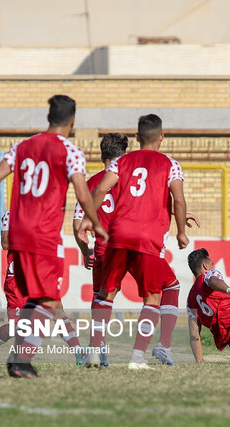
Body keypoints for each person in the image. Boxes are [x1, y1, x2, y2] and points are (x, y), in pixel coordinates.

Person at [0, 95, 107, 378]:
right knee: (50, 301)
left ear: (48, 117)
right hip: (43, 235)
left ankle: (17, 356)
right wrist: (96, 224)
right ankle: (21, 361)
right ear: (73, 122)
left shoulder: (22, 146)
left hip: (17, 234)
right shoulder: (71, 151)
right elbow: (82, 192)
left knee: (36, 300)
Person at [78, 113, 190, 370]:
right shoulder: (170, 164)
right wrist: (181, 231)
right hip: (148, 238)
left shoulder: (123, 161)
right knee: (153, 296)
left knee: (107, 293)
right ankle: (137, 358)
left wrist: (88, 219)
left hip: (119, 234)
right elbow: (179, 200)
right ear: (162, 136)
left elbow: (100, 190)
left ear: (137, 137)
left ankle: (95, 351)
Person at [0, 210, 85, 366]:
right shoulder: (12, 213)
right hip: (18, 280)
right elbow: (5, 243)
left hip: (40, 274)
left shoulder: (45, 213)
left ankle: (79, 352)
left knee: (58, 312)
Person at [72, 132, 130, 367]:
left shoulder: (90, 184)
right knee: (161, 290)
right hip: (132, 247)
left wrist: (86, 250)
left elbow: (77, 224)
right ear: (123, 155)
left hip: (104, 249)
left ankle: (98, 347)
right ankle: (155, 349)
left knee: (100, 298)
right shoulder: (129, 179)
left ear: (101, 155)